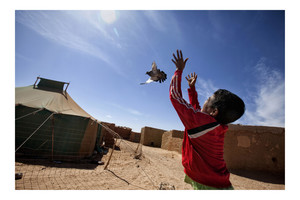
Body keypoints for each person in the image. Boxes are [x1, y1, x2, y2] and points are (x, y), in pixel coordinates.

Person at [169, 50, 245, 190]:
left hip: (207, 185)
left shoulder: (204, 123)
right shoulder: (216, 126)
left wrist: (178, 71)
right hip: (218, 182)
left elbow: (175, 97)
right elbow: (197, 112)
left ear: (214, 111)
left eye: (208, 99)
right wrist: (192, 90)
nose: (205, 100)